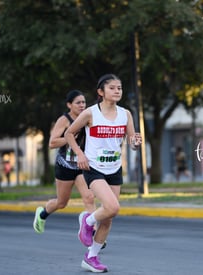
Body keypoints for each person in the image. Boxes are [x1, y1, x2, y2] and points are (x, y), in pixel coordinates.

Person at [65, 74, 142, 273]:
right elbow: (69, 134)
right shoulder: (90, 113)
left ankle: (91, 257)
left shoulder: (126, 114)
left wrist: (135, 143)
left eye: (120, 88)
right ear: (101, 92)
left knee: (108, 217)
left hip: (114, 168)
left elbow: (132, 141)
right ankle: (88, 221)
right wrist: (80, 154)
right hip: (93, 168)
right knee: (113, 207)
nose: (117, 91)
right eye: (112, 88)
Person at [33, 90, 95, 234]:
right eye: (78, 102)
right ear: (69, 105)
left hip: (81, 165)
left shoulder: (87, 118)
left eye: (84, 102)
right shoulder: (64, 120)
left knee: (89, 197)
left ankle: (93, 232)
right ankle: (42, 214)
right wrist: (71, 136)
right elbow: (52, 143)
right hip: (64, 166)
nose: (82, 105)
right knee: (62, 203)